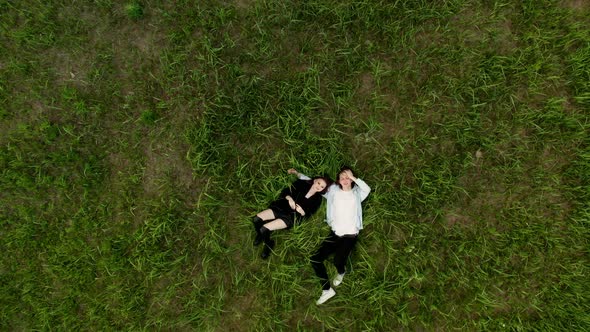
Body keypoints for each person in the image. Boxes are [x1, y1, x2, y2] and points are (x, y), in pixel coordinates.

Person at [294, 166, 370, 305]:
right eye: (342, 177)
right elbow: (316, 183)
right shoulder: (333, 191)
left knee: (338, 262)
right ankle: (327, 290)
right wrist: (298, 174)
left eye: (348, 177)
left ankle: (341, 272)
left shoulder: (358, 193)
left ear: (352, 179)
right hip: (335, 233)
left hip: (350, 235)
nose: (345, 180)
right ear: (338, 180)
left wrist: (352, 177)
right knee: (315, 259)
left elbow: (367, 189)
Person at [251, 169, 331, 259]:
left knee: (263, 228)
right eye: (319, 183)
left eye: (322, 187)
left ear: (323, 190)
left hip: (291, 217)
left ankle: (269, 244)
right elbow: (285, 191)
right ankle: (261, 235)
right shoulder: (302, 183)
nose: (318, 186)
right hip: (281, 207)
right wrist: (290, 199)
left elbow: (309, 213)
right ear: (315, 180)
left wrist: (302, 211)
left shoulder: (318, 200)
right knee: (256, 219)